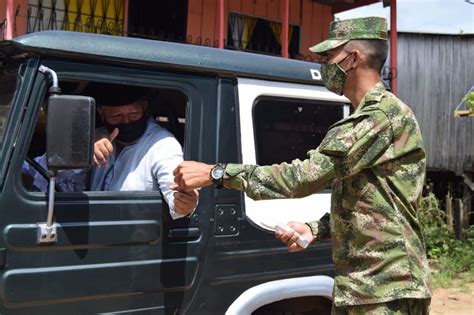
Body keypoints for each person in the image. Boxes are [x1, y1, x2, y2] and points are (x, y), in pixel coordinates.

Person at [172, 17, 431, 314]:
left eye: (329, 56)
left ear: (353, 58)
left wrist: (216, 173)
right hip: (366, 287)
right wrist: (314, 230)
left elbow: (300, 178)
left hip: (386, 287)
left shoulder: (379, 118)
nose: (324, 64)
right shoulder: (370, 118)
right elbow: (369, 203)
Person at [24, 83, 198, 219]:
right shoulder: (98, 136)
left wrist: (183, 203)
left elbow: (175, 195)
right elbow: (48, 172)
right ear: (101, 114)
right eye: (116, 116)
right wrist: (83, 154)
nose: (127, 121)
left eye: (134, 114)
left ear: (144, 108)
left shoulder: (162, 144)